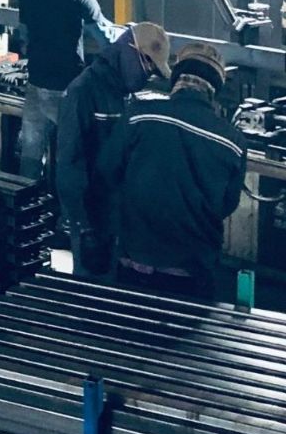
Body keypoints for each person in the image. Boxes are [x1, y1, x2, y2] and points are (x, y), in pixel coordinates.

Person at [95, 42, 248, 303]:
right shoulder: (232, 143)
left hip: (134, 261)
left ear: (176, 80)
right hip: (191, 272)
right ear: (214, 89)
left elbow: (107, 171)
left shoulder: (138, 116)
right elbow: (227, 204)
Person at [49, 20, 171, 274]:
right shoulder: (82, 92)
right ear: (128, 48)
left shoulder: (125, 95)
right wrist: (83, 227)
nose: (148, 74)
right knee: (92, 288)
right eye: (148, 63)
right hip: (93, 219)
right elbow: (69, 162)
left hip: (121, 220)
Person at [14, 0, 123, 175]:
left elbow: (24, 39)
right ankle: (66, 200)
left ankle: (24, 195)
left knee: (30, 155)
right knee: (71, 157)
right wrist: (130, 35)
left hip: (35, 85)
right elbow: (105, 39)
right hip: (66, 91)